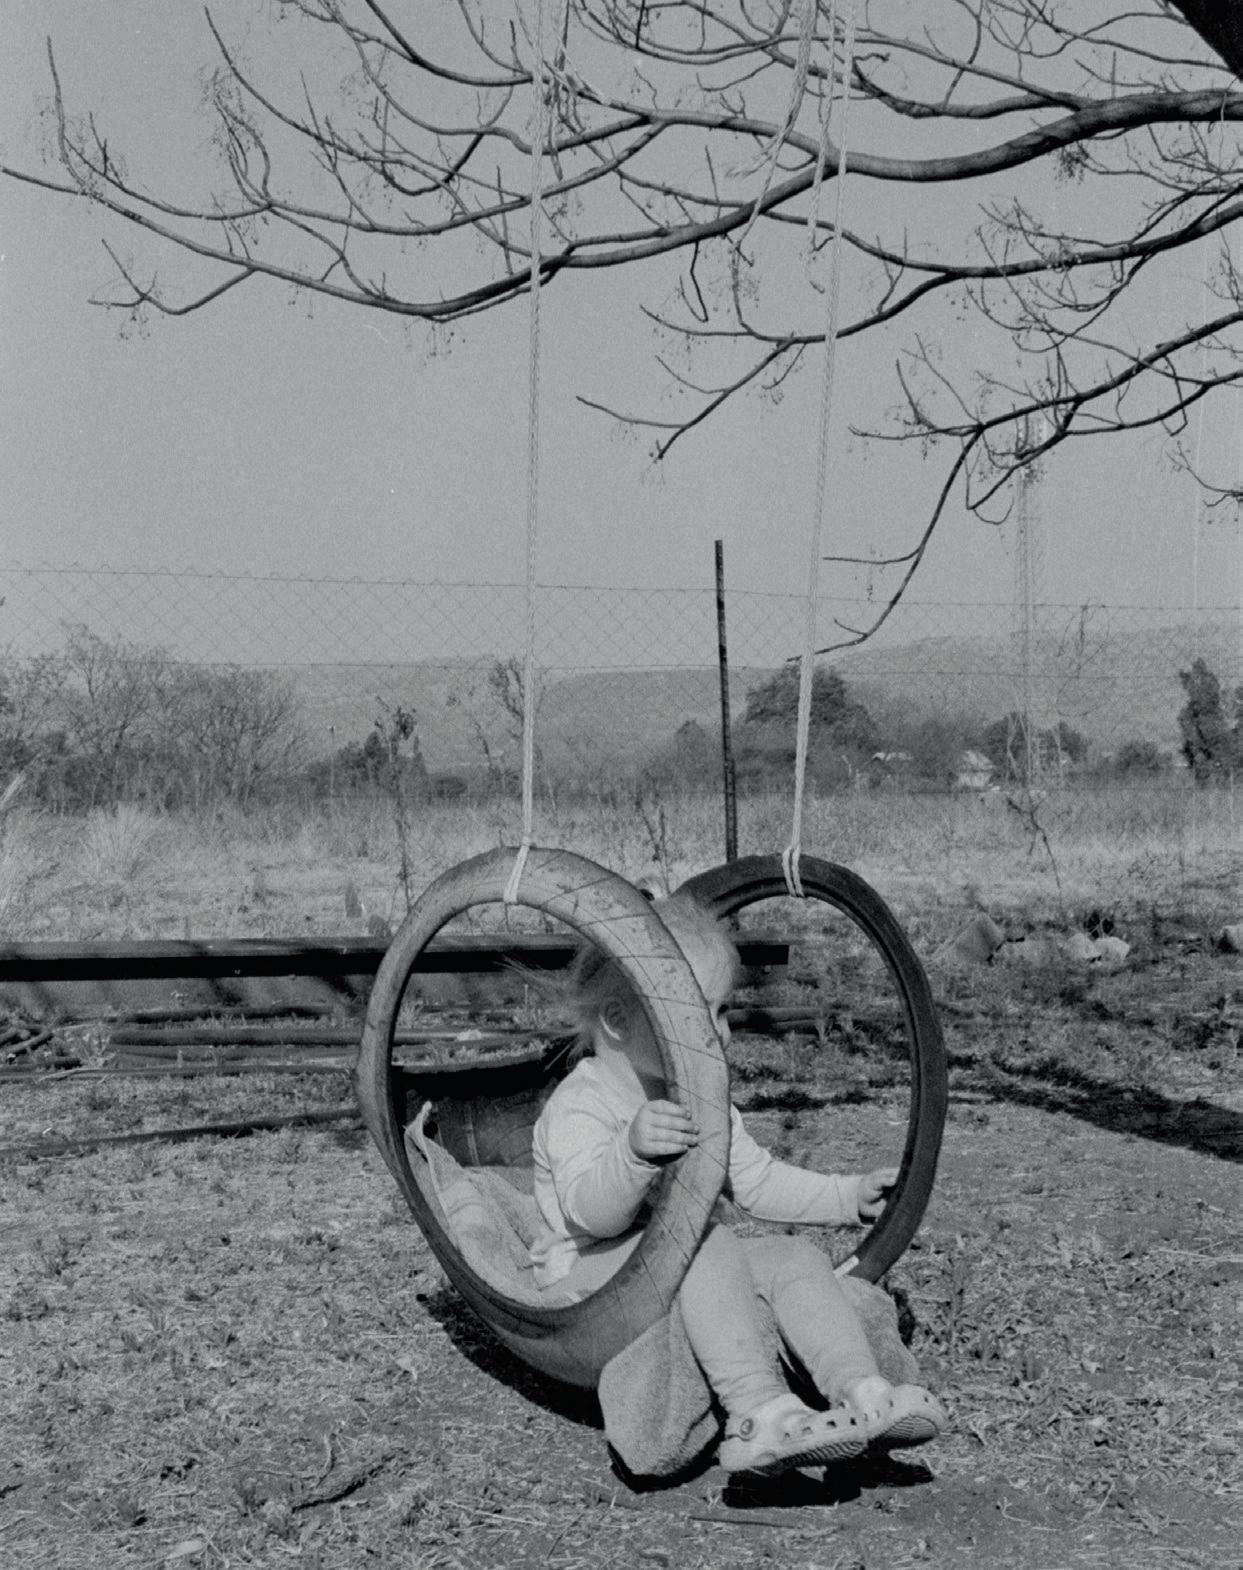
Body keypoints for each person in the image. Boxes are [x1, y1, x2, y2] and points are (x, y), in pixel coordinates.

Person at [529, 892, 946, 1478]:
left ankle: (863, 1390)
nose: (721, 1034)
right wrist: (631, 1154)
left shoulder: (698, 1095)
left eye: (723, 1012)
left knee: (791, 1257)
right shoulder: (584, 1105)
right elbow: (590, 1214)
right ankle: (757, 1411)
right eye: (699, 1014)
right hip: (595, 1279)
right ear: (619, 1021)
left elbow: (755, 1179)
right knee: (706, 1240)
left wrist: (844, 1197)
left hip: (691, 1264)